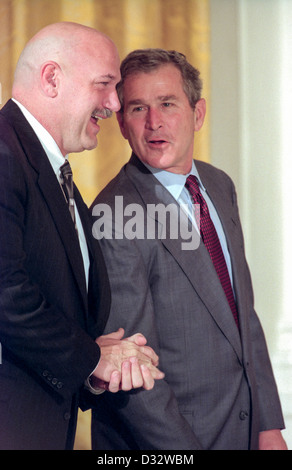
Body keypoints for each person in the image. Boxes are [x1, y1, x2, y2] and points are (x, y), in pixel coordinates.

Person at [90, 48, 287, 450]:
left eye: (167, 104)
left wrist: (268, 426)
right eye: (138, 108)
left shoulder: (219, 185)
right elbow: (133, 370)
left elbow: (242, 313)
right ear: (123, 125)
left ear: (198, 114)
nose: (154, 122)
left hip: (245, 433)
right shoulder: (113, 214)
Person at [0, 24, 164, 451]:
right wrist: (93, 358)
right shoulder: (3, 157)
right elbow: (5, 292)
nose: (114, 103)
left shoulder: (54, 173)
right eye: (105, 85)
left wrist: (95, 359)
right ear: (52, 79)